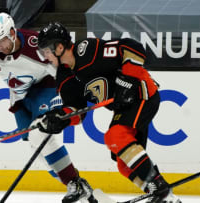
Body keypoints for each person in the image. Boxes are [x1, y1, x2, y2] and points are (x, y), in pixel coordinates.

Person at [35, 22, 182, 203]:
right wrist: (61, 118)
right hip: (125, 107)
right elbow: (77, 111)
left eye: (46, 51)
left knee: (115, 137)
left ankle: (158, 184)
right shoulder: (65, 78)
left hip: (142, 92)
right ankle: (166, 198)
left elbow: (132, 47)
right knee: (123, 163)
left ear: (59, 46)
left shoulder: (87, 51)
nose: (45, 56)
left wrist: (127, 80)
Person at [0, 13, 98, 203]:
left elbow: (62, 70)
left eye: (2, 41)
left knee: (40, 132)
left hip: (46, 87)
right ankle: (75, 181)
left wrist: (63, 97)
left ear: (12, 32)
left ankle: (73, 183)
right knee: (36, 145)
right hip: (19, 96)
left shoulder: (36, 45)